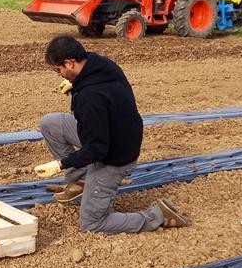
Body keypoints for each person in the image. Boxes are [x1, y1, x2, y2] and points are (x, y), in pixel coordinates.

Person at [34, 36, 188, 234]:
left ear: (70, 62)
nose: (59, 74)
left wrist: (60, 164)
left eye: (58, 69)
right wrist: (75, 83)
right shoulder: (100, 64)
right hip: (115, 132)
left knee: (92, 224)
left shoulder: (90, 99)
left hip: (115, 156)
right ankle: (81, 181)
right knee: (49, 124)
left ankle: (158, 216)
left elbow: (97, 149)